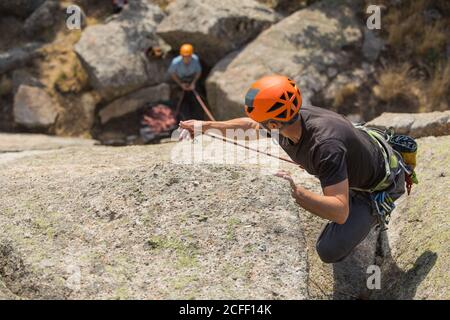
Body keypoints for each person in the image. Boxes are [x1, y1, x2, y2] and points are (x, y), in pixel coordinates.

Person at [179, 75, 407, 264]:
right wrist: (206, 126)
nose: (258, 124)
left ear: (275, 124)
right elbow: (250, 126)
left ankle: (372, 215)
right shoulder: (291, 118)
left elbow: (339, 211)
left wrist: (295, 192)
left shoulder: (325, 147)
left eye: (263, 122)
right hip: (358, 162)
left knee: (328, 249)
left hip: (375, 186)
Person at [168, 44, 203, 120]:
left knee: (197, 98)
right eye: (184, 56)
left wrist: (193, 82)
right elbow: (172, 73)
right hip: (180, 80)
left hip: (191, 80)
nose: (186, 58)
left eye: (188, 56)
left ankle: (197, 115)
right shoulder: (175, 62)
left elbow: (198, 72)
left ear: (191, 55)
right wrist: (180, 84)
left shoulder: (195, 60)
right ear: (181, 55)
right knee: (179, 100)